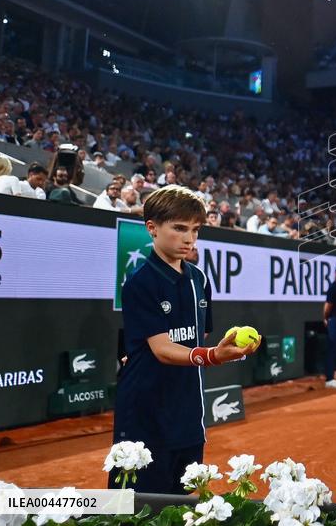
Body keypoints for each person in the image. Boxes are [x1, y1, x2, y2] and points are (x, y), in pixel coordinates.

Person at [109, 185, 259, 494]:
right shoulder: (140, 283)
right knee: (134, 510)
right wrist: (212, 356)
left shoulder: (199, 279)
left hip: (188, 415)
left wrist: (216, 349)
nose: (189, 238)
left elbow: (197, 337)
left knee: (181, 507)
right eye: (179, 228)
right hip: (144, 416)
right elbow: (164, 350)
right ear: (152, 228)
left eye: (195, 230)